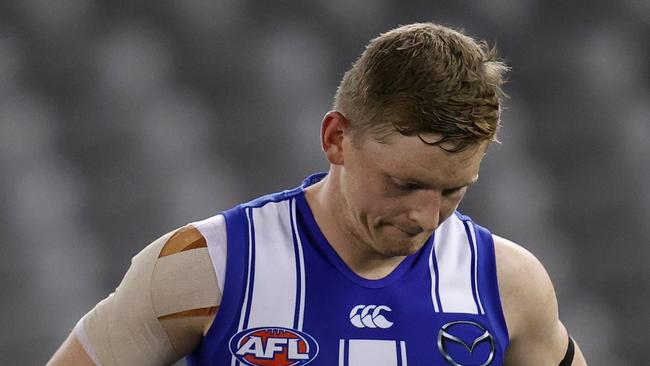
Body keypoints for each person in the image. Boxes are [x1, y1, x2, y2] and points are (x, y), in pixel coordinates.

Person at [49, 22, 587, 365]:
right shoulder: (204, 266)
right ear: (336, 139)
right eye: (404, 184)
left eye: (454, 191)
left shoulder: (508, 283)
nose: (427, 216)